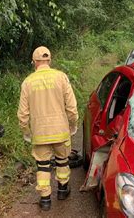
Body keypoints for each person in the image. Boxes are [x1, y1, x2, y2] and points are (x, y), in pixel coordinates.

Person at [17, 46, 78, 211]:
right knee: (62, 161)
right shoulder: (61, 77)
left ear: (34, 62)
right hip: (61, 131)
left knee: (43, 165)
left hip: (40, 133)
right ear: (49, 60)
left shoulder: (28, 82)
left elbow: (22, 114)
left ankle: (45, 200)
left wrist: (27, 132)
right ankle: (63, 190)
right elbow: (72, 107)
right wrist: (73, 124)